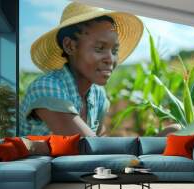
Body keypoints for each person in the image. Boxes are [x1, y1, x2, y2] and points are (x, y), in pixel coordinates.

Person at [20, 2, 143, 137]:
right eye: (99, 48)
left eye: (114, 51)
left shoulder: (98, 95)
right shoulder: (46, 88)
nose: (110, 59)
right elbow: (90, 147)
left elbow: (100, 141)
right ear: (70, 46)